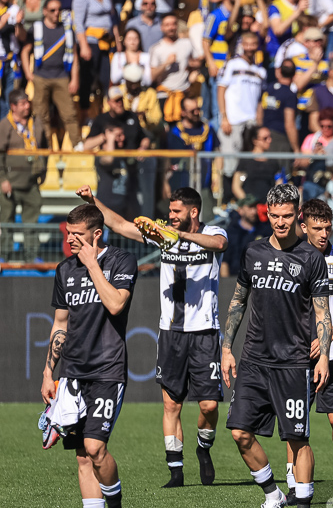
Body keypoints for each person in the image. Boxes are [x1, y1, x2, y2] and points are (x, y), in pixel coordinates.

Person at [77, 186, 228, 488]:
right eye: (169, 212)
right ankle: (175, 471)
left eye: (176, 212)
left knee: (209, 406)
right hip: (171, 333)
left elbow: (219, 244)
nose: (170, 217)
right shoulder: (161, 234)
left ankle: (203, 447)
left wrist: (180, 237)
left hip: (205, 333)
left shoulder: (212, 231)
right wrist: (94, 201)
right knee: (171, 405)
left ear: (193, 212)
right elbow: (119, 225)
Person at [221, 184, 333, 508]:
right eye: (275, 216)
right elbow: (238, 301)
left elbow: (322, 312)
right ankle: (272, 495)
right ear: (266, 214)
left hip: (293, 363)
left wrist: (324, 355)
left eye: (287, 216)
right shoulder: (252, 252)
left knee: (297, 439)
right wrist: (226, 348)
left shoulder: (311, 257)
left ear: (297, 215)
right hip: (254, 359)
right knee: (240, 433)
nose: (281, 222)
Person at [41, 204, 137, 508]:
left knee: (97, 447)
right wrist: (49, 371)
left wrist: (92, 263)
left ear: (97, 234)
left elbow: (115, 305)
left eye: (78, 235)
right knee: (82, 455)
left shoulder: (121, 262)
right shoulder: (64, 269)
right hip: (72, 374)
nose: (71, 241)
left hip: (108, 371)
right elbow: (60, 324)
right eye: (69, 235)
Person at [287, 199, 333, 503]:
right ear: (303, 227)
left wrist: (326, 336)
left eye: (327, 228)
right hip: (295, 356)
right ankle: (294, 484)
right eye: (317, 228)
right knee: (295, 423)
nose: (323, 234)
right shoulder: (291, 259)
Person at [26, 0, 82, 150]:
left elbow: (75, 55)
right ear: (45, 11)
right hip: (41, 77)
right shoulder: (37, 28)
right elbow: (25, 51)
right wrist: (28, 73)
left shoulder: (67, 29)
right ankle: (45, 147)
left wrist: (74, 79)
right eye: (52, 10)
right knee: (41, 115)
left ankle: (78, 146)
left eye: (59, 10)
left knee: (69, 114)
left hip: (62, 77)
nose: (56, 13)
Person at [0, 91, 45, 261]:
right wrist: (3, 179)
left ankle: (32, 255)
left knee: (31, 223)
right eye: (23, 103)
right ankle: (4, 255)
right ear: (13, 106)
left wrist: (44, 170)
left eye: (28, 102)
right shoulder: (5, 126)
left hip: (31, 182)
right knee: (6, 221)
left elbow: (45, 148)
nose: (27, 106)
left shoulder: (36, 123)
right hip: (9, 183)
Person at [218, 32, 266, 180]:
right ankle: (226, 198)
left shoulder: (261, 71)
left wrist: (259, 121)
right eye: (247, 44)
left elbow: (259, 99)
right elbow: (221, 89)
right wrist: (224, 117)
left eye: (253, 44)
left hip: (250, 122)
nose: (250, 47)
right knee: (230, 162)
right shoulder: (232, 64)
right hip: (233, 120)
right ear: (242, 45)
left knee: (246, 163)